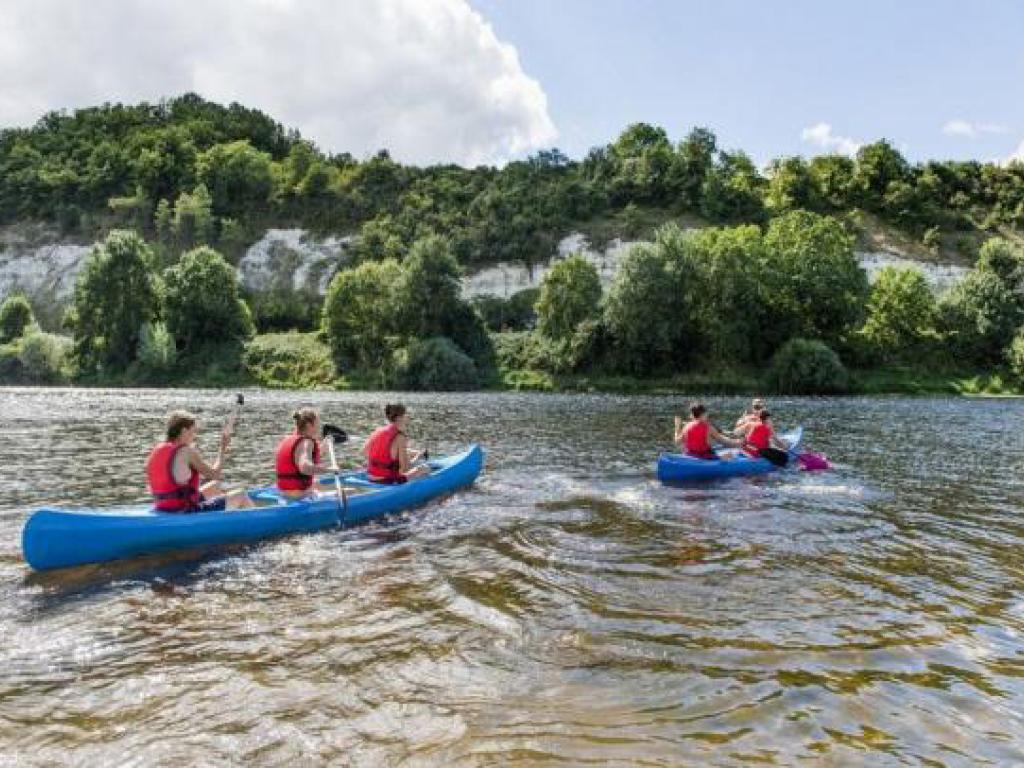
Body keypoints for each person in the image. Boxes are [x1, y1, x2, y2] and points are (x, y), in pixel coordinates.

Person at [146, 410, 253, 513]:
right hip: (183, 510)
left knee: (215, 486)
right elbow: (215, 474)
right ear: (184, 431)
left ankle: (225, 514)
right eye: (193, 431)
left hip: (162, 506)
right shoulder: (186, 452)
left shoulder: (157, 449)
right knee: (241, 495)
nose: (194, 436)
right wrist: (222, 448)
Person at [364, 403, 430, 483]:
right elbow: (405, 469)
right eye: (405, 415)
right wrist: (416, 459)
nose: (407, 417)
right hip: (386, 480)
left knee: (402, 458)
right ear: (399, 418)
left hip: (370, 476)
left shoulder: (378, 430)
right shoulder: (400, 437)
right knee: (425, 468)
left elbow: (365, 451)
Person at [275, 407, 332, 498]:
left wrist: (322, 449)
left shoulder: (289, 439)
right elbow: (304, 467)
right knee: (349, 492)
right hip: (300, 496)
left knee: (316, 483)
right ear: (309, 425)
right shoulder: (307, 442)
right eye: (317, 423)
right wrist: (330, 470)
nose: (319, 427)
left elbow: (300, 459)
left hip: (283, 493)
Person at [674, 402, 740, 460]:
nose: (707, 416)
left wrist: (677, 427)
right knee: (730, 455)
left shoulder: (686, 426)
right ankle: (721, 457)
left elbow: (677, 441)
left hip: (689, 455)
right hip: (704, 457)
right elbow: (724, 441)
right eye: (706, 414)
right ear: (703, 414)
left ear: (693, 415)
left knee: (716, 449)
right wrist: (738, 442)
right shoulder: (708, 428)